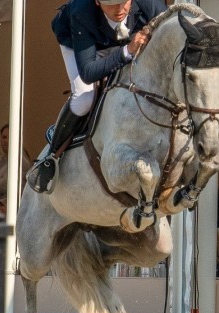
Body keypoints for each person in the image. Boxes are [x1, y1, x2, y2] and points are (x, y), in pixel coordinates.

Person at [27, 0, 167, 194]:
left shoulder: (150, 4)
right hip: (82, 46)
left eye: (124, 2)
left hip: (125, 42)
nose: (119, 10)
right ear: (97, 1)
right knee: (84, 98)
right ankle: (51, 157)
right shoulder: (82, 12)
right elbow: (89, 72)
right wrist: (127, 51)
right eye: (111, 4)